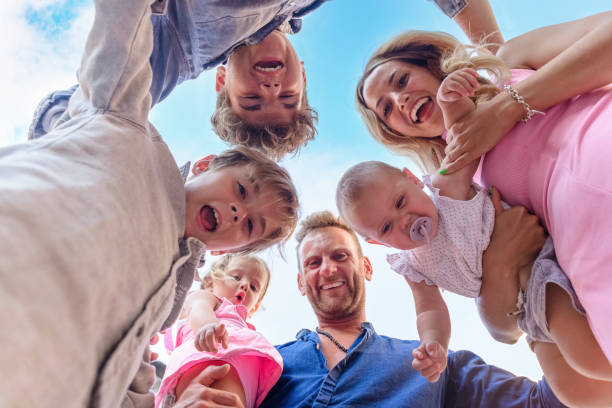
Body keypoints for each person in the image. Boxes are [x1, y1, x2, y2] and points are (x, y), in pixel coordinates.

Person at [0, 0, 299, 406]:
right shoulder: (126, 125)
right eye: (241, 192)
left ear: (232, 250)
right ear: (207, 165)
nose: (236, 212)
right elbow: (120, 34)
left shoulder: (167, 294)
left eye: (248, 225)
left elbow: (130, 381)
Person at [355, 11, 612, 370]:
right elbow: (505, 327)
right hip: (595, 257)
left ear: (430, 65)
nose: (399, 100)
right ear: (399, 132)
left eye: (401, 80)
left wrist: (505, 108)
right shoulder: (457, 197)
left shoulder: (509, 63)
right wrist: (497, 264)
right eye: (386, 108)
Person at [175, 210, 564, 407]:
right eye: (313, 263)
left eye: (340, 255)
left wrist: (529, 277)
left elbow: (550, 401)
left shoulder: (435, 367)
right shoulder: (261, 364)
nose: (327, 269)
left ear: (365, 267)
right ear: (300, 284)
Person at [335, 156, 612, 403]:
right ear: (377, 242)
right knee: (573, 393)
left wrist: (455, 105)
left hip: (538, 271)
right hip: (524, 314)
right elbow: (430, 309)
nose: (404, 221)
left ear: (412, 179)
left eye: (400, 202)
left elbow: (467, 146)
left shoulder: (446, 190)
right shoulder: (412, 266)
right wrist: (435, 344)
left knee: (586, 356)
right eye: (387, 227)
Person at [28, 0, 327, 160]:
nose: (271, 90)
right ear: (302, 73)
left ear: (221, 81)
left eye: (252, 101)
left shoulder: (183, 49)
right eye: (288, 98)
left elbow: (92, 111)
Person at [157, 254, 281, 408]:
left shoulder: (247, 333)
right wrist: (207, 324)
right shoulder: (210, 300)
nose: (245, 285)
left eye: (254, 287)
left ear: (254, 307)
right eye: (236, 277)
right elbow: (198, 307)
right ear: (210, 282)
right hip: (206, 362)